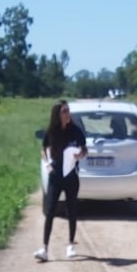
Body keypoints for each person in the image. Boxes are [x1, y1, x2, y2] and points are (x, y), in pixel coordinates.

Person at [37, 100, 87, 261]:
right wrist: (47, 163)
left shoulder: (76, 131)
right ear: (57, 114)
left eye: (68, 110)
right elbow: (43, 149)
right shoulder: (51, 132)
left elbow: (84, 148)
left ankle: (71, 245)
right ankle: (44, 248)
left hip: (71, 175)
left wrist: (81, 155)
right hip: (55, 176)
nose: (67, 114)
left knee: (72, 210)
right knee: (50, 210)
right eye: (64, 111)